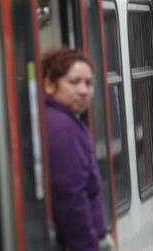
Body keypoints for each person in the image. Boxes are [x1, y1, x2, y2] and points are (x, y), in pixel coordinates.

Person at [42, 46, 113, 251]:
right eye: (74, 82)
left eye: (89, 83)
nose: (84, 90)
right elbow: (70, 197)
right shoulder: (60, 127)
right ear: (49, 83)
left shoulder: (64, 120)